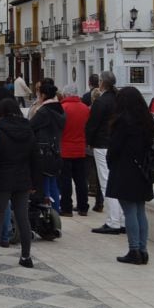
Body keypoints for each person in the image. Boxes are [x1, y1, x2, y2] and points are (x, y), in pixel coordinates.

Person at [0, 98, 39, 269]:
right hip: (23, 178)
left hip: (1, 178)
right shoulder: (28, 129)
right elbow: (35, 157)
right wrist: (34, 181)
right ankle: (26, 256)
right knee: (22, 217)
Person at [108, 87, 154, 265]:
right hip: (142, 170)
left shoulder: (122, 122)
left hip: (125, 169)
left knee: (129, 210)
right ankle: (143, 250)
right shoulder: (147, 122)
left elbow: (114, 148)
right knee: (140, 210)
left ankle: (134, 249)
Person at [87, 70, 125, 235]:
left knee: (106, 181)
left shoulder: (101, 102)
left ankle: (113, 221)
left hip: (102, 145)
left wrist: (88, 141)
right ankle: (122, 219)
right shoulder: (119, 100)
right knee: (117, 180)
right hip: (117, 144)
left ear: (102, 83)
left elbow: (92, 125)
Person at [30, 80, 65, 212]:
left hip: (43, 151)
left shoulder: (44, 111)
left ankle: (47, 213)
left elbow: (31, 126)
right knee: (53, 183)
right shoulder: (60, 109)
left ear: (43, 95)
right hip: (55, 149)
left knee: (43, 185)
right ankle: (56, 211)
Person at [58, 83, 91, 216]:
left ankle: (66, 208)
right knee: (81, 180)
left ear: (65, 94)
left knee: (65, 181)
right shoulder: (85, 108)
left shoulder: (62, 108)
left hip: (65, 149)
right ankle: (83, 206)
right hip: (80, 148)